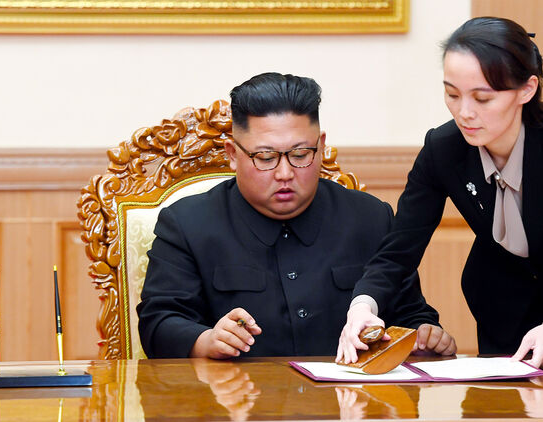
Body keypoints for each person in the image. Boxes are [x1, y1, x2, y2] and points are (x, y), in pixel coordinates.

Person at [336, 17, 543, 368]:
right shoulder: (443, 150)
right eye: (452, 94)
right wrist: (363, 306)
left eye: (482, 98)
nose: (464, 113)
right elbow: (397, 252)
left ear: (527, 90)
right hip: (506, 317)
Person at [137, 72, 456, 359]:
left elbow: (410, 315)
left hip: (347, 398)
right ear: (232, 154)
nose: (285, 173)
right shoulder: (187, 224)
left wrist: (426, 335)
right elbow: (158, 323)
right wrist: (207, 340)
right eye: (266, 157)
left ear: (321, 146)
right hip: (235, 398)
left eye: (301, 154)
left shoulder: (371, 218)